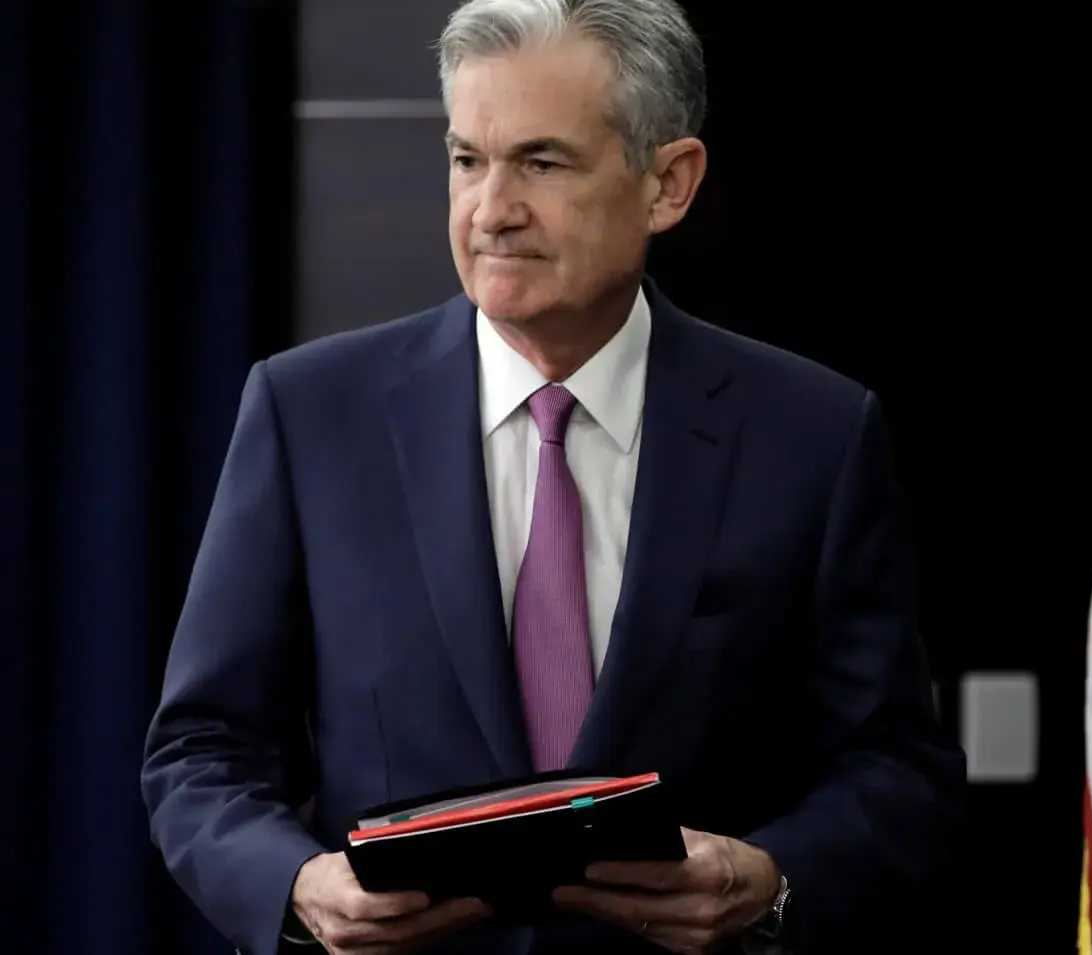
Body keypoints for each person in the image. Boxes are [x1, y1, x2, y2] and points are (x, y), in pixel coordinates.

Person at [140, 1, 966, 953]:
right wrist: (296, 883)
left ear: (669, 183)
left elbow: (899, 769)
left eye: (541, 161)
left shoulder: (813, 434)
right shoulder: (309, 414)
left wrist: (770, 877)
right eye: (466, 160)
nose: (491, 210)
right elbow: (201, 751)